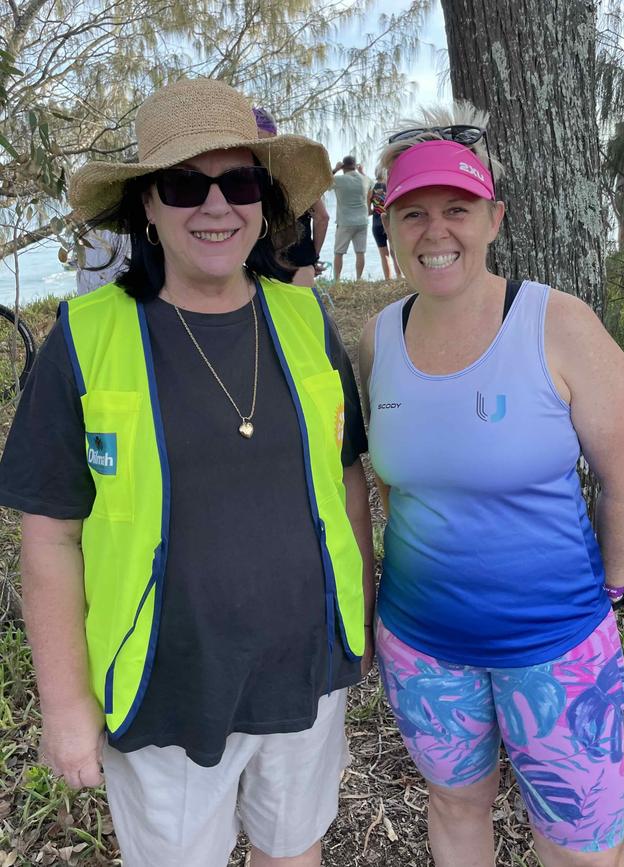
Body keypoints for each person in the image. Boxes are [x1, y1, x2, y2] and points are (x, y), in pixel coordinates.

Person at [0, 78, 375, 867]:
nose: (215, 206)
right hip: (164, 686)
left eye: (238, 182)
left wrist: (358, 623)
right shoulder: (84, 338)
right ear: (146, 205)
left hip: (303, 673)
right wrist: (66, 705)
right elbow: (51, 534)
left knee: (293, 849)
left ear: (264, 202)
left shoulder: (307, 321)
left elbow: (347, 483)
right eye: (184, 184)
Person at [359, 106, 624, 867]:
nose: (435, 231)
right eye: (411, 213)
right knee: (455, 806)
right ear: (387, 225)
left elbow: (623, 479)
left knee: (580, 846)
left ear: (495, 217)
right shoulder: (378, 338)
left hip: (555, 646)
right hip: (423, 646)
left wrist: (609, 591)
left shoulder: (558, 324)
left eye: (457, 209)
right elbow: (395, 487)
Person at [253, 106, 330, 288]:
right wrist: (313, 256)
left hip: (257, 266)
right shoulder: (297, 173)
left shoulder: (244, 174)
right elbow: (322, 217)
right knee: (304, 315)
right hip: (299, 262)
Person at [332, 155, 371, 281]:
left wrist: (335, 169)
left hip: (345, 221)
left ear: (343, 166)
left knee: (339, 252)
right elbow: (372, 184)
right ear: (355, 165)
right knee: (360, 252)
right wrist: (362, 172)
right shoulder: (364, 179)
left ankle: (337, 280)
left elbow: (323, 182)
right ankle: (359, 279)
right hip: (362, 221)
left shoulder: (339, 180)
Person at [367, 168, 401, 280]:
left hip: (376, 223)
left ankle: (388, 279)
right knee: (394, 251)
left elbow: (368, 211)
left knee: (384, 254)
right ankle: (400, 276)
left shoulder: (372, 189)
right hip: (389, 222)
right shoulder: (391, 187)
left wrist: (375, 210)